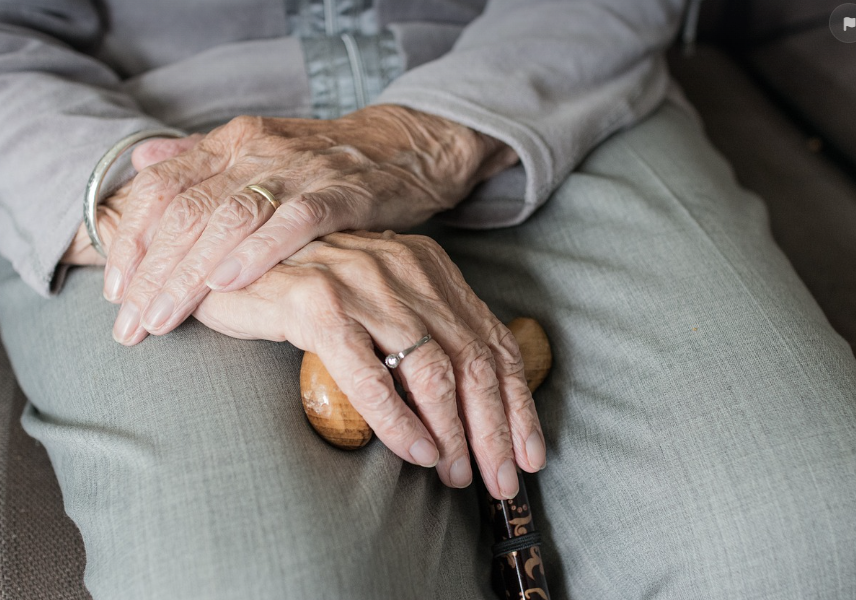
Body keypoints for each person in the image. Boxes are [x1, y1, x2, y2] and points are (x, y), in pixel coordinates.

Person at [0, 0, 854, 598]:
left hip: (545, 88)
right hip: (129, 137)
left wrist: (423, 136)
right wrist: (169, 215)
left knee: (811, 533)